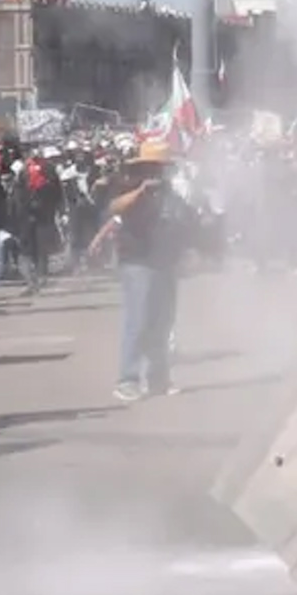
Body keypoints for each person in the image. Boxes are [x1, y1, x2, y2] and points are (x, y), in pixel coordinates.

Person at [106, 140, 190, 402]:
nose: (157, 173)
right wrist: (140, 191)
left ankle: (158, 378)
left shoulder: (170, 192)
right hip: (137, 261)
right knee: (138, 320)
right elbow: (114, 208)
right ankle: (128, 380)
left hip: (164, 260)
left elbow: (181, 219)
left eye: (161, 167)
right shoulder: (129, 185)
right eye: (153, 167)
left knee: (162, 321)